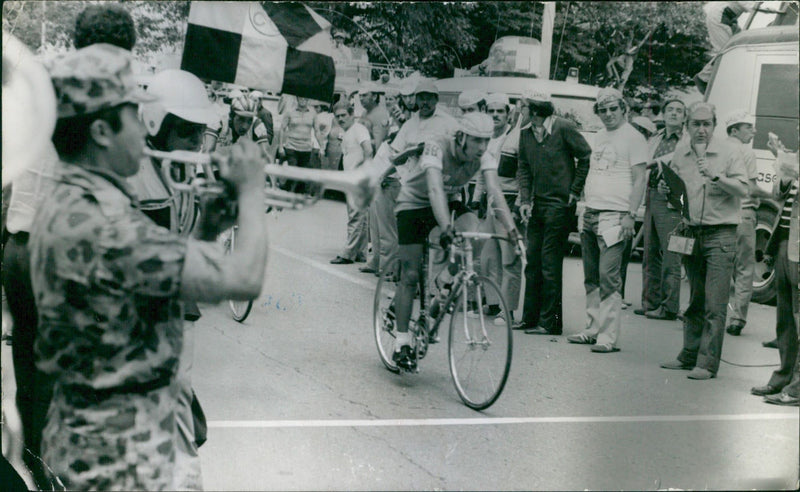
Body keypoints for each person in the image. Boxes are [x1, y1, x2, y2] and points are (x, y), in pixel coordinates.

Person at [29, 43, 268, 490]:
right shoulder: (106, 225)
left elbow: (153, 293)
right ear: (101, 130)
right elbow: (245, 278)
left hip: (94, 441)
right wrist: (252, 192)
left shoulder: (71, 199)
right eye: (133, 118)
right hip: (123, 460)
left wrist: (206, 229)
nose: (143, 131)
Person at [2, 7, 135, 488]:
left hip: (19, 249)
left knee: (32, 380)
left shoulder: (41, 86)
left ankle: (38, 477)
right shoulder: (97, 98)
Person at [133, 68, 224, 490]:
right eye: (187, 133)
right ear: (157, 126)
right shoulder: (135, 175)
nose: (196, 144)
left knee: (177, 408)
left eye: (200, 133)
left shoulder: (183, 173)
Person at [390, 111, 523, 371]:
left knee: (473, 233)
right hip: (415, 203)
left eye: (486, 141)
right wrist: (446, 228)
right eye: (476, 140)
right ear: (461, 137)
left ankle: (444, 283)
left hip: (449, 202)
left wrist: (512, 230)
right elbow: (433, 188)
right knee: (410, 274)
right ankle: (402, 342)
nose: (482, 147)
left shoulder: (484, 156)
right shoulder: (435, 146)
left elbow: (495, 191)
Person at [659, 102, 748, 379]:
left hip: (720, 233)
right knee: (695, 298)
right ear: (687, 126)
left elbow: (743, 189)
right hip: (690, 230)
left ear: (714, 125)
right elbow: (677, 194)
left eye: (706, 124)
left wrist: (716, 176)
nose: (701, 130)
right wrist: (667, 191)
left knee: (715, 302)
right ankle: (689, 354)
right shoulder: (680, 152)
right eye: (695, 124)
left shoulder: (730, 151)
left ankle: (707, 363)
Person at [566, 88, 648, 353]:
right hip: (591, 212)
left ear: (624, 109)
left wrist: (630, 215)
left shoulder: (634, 138)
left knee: (609, 276)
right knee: (591, 276)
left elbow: (639, 180)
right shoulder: (599, 136)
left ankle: (608, 336)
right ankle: (592, 328)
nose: (608, 114)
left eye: (613, 108)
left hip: (616, 216)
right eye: (603, 110)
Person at [516, 90, 592, 335]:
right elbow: (524, 167)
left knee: (550, 263)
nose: (520, 110)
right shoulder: (525, 133)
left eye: (524, 106)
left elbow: (585, 155)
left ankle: (550, 323)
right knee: (533, 262)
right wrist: (525, 199)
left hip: (559, 206)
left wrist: (575, 190)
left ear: (536, 110)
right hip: (537, 204)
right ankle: (530, 318)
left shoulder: (564, 127)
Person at [471, 93, 525, 324]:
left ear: (508, 114)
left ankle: (508, 310)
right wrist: (476, 200)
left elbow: (524, 173)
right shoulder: (487, 139)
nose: (495, 116)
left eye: (500, 111)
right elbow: (484, 175)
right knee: (487, 257)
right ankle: (493, 304)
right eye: (491, 111)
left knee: (509, 259)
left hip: (509, 201)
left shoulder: (514, 138)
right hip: (491, 203)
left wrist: (521, 201)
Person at [753, 134, 798, 403]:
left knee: (799, 315)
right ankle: (784, 378)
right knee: (785, 318)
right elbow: (779, 194)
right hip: (784, 242)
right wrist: (784, 169)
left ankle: (797, 387)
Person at [636, 98, 687, 321]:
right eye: (670, 110)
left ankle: (669, 307)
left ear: (684, 117)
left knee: (671, 255)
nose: (674, 114)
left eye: (679, 111)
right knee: (650, 251)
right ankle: (650, 302)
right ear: (663, 114)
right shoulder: (656, 137)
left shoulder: (686, 141)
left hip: (674, 200)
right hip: (652, 195)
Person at [723, 110, 772, 336]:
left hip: (722, 215)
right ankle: (737, 319)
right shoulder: (746, 152)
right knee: (744, 268)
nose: (753, 131)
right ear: (735, 130)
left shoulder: (719, 149)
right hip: (744, 214)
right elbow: (751, 189)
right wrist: (773, 196)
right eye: (748, 127)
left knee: (720, 266)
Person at [694, 2, 782, 93]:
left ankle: (727, 82)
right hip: (719, 18)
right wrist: (773, 10)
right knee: (727, 52)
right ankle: (702, 78)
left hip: (730, 19)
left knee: (741, 45)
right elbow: (753, 6)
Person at [330, 101, 373, 265]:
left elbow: (368, 150)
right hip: (351, 178)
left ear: (351, 114)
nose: (341, 119)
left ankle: (347, 253)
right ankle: (360, 252)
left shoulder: (359, 130)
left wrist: (365, 172)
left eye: (344, 115)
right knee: (360, 217)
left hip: (358, 178)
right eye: (337, 116)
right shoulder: (347, 132)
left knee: (355, 217)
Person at [359, 82, 393, 271]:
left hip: (377, 168)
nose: (361, 99)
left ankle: (381, 261)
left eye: (365, 95)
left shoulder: (380, 115)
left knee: (380, 220)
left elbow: (379, 145)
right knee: (371, 218)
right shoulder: (365, 114)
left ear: (374, 96)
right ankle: (375, 258)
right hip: (366, 167)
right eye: (360, 95)